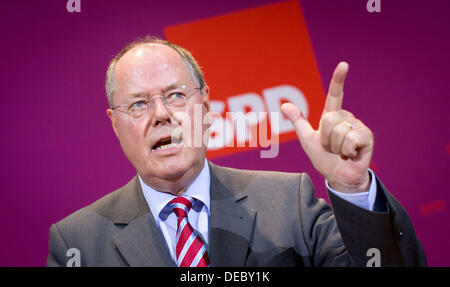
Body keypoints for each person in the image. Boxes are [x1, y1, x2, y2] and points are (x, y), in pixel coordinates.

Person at [47, 36, 427, 267]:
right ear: (114, 123)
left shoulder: (289, 201)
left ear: (206, 105)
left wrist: (353, 186)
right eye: (139, 104)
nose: (162, 115)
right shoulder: (77, 241)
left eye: (176, 95)